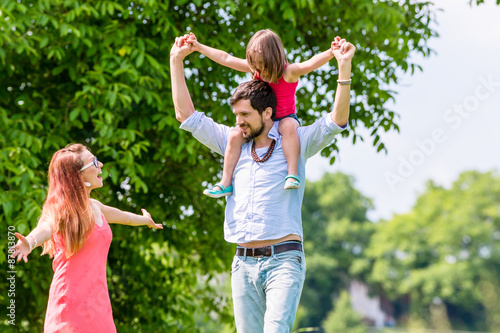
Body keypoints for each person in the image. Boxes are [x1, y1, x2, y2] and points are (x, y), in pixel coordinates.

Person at [171, 33, 355, 332]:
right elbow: (187, 116)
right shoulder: (233, 143)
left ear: (266, 113)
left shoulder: (294, 141)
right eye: (236, 115)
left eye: (245, 115)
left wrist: (343, 68)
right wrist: (176, 60)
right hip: (242, 264)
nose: (238, 121)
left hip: (283, 260)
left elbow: (336, 120)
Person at [9, 143, 163, 333]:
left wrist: (146, 220)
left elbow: (126, 218)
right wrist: (30, 242)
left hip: (98, 305)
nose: (101, 165)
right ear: (77, 175)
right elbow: (47, 227)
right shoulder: (64, 210)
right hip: (69, 305)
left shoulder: (96, 206)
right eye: (94, 162)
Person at [183, 30, 339, 197]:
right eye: (254, 64)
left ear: (273, 59)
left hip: (286, 118)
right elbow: (225, 58)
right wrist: (199, 47)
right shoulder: (255, 70)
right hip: (261, 122)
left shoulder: (288, 73)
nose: (257, 69)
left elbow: (310, 64)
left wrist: (331, 52)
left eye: (261, 64)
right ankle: (225, 182)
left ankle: (292, 173)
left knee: (287, 127)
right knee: (235, 135)